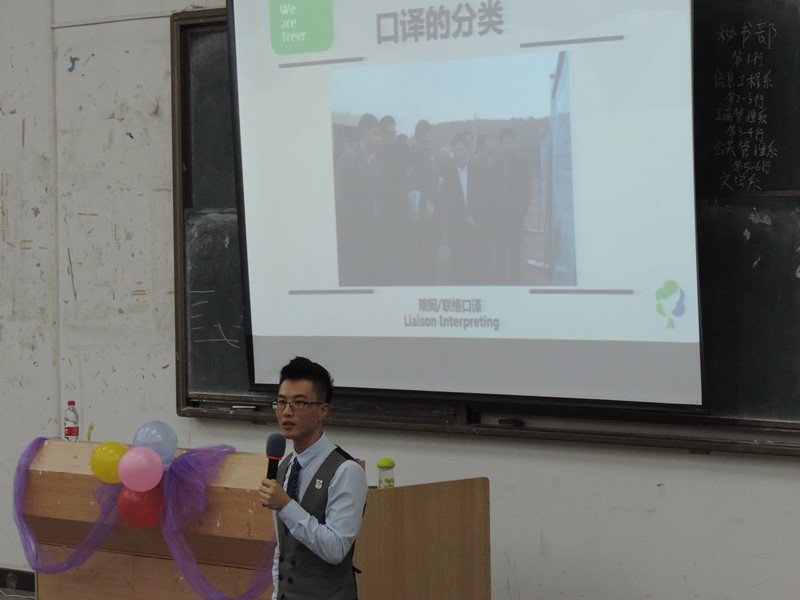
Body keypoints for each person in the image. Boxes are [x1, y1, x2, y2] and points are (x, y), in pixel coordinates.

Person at [259, 357, 368, 600]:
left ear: (323, 411)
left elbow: (336, 549)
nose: (287, 412)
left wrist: (286, 505)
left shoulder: (346, 471)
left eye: (299, 403)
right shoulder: (284, 467)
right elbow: (283, 549)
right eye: (281, 402)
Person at [333, 113, 382, 285]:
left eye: (379, 134)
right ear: (363, 132)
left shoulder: (372, 160)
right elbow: (341, 201)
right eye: (375, 133)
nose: (378, 139)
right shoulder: (348, 159)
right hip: (354, 236)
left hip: (369, 234)